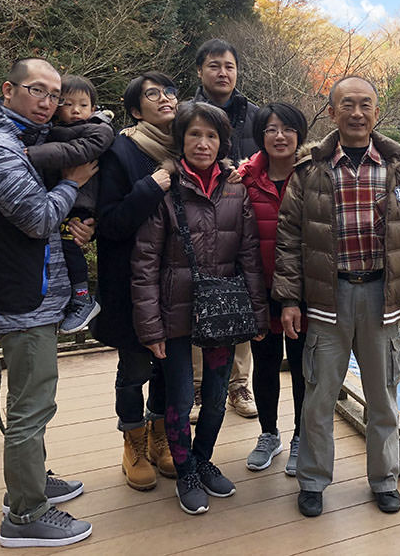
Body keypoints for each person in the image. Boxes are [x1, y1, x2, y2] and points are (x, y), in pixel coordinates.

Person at [273, 75, 400, 518]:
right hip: (327, 299)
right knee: (319, 395)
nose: (357, 113)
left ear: (376, 112)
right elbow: (288, 239)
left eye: (365, 104)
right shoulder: (310, 171)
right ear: (332, 112)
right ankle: (312, 480)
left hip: (382, 298)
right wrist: (289, 299)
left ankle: (384, 479)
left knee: (383, 395)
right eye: (348, 104)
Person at [0, 58, 96, 547]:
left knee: (36, 400)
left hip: (31, 292)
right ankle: (24, 515)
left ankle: (33, 482)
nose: (47, 102)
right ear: (8, 90)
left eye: (54, 94)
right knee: (30, 407)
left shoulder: (20, 139)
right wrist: (75, 183)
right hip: (21, 298)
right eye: (36, 91)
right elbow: (38, 218)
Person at [131, 101, 268, 515]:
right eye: (195, 135)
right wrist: (150, 328)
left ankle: (204, 459)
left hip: (222, 312)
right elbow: (145, 262)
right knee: (179, 396)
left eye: (212, 136)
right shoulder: (164, 189)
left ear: (223, 141)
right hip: (175, 313)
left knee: (213, 395)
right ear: (181, 140)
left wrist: (258, 314)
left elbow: (248, 256)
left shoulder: (235, 188)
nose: (203, 143)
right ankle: (185, 469)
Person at [93, 72, 178, 491]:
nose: (165, 98)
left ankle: (162, 439)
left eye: (169, 92)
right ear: (133, 110)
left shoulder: (186, 146)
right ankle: (134, 442)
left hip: (175, 282)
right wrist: (150, 187)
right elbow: (107, 223)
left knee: (169, 367)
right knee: (134, 368)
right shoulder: (120, 151)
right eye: (152, 94)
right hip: (129, 282)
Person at [238, 103, 309, 475]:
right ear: (260, 136)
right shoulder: (244, 178)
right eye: (270, 129)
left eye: (287, 129)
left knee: (301, 367)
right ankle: (269, 434)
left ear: (300, 134)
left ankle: (301, 437)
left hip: (304, 292)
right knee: (264, 365)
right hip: (260, 289)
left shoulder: (314, 176)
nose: (279, 136)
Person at [191, 38, 259, 419]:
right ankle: (199, 388)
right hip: (196, 213)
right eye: (214, 65)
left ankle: (239, 385)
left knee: (242, 297)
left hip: (240, 215)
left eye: (229, 66)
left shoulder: (254, 115)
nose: (223, 72)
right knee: (198, 299)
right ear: (200, 71)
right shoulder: (185, 113)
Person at [25, 74, 114, 333]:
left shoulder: (98, 129)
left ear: (93, 109)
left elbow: (74, 152)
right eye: (68, 103)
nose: (76, 110)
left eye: (83, 105)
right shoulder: (50, 132)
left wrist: (30, 155)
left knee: (69, 248)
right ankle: (72, 297)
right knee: (60, 249)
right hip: (62, 200)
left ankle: (83, 297)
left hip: (80, 204)